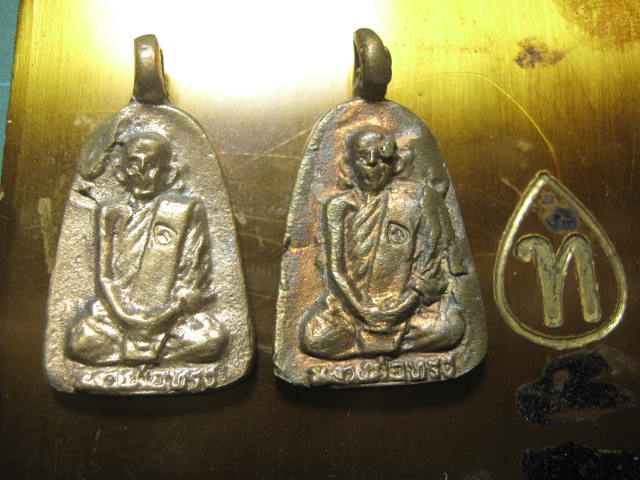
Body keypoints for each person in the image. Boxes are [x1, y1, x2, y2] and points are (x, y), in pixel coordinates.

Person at [299, 126, 465, 359]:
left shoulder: (413, 202)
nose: (371, 165)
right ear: (348, 164)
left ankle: (378, 347)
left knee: (451, 326)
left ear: (396, 164)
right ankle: (379, 345)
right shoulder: (338, 207)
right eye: (362, 157)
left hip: (406, 309)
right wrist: (363, 311)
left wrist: (401, 309)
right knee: (314, 337)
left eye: (381, 158)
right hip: (352, 310)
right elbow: (335, 271)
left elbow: (429, 269)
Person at [66, 132, 227, 365]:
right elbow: (104, 279)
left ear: (168, 172)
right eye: (134, 163)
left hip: (171, 320)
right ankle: (148, 355)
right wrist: (126, 317)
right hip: (117, 317)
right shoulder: (110, 212)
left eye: (151, 165)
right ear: (121, 171)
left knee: (212, 338)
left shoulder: (185, 210)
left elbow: (194, 280)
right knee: (80, 340)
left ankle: (140, 355)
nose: (141, 172)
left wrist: (162, 317)